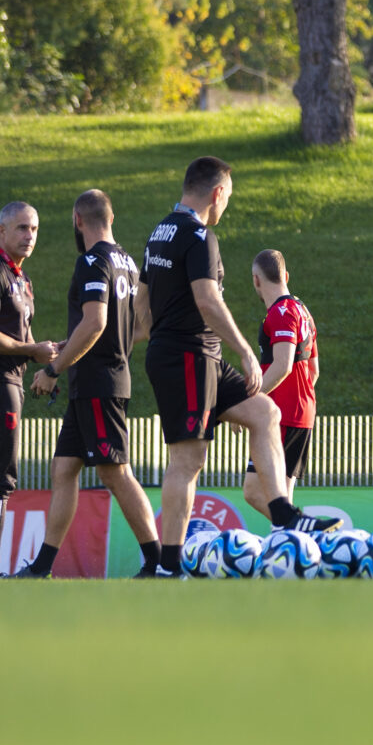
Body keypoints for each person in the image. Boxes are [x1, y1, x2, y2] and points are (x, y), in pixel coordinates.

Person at [136, 156, 336, 577]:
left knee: (265, 411)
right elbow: (208, 300)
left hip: (193, 354)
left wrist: (155, 334)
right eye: (228, 197)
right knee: (187, 460)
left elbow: (141, 302)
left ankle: (283, 513)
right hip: (189, 355)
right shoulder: (198, 236)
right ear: (218, 193)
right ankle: (168, 566)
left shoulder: (159, 232)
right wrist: (245, 349)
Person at [19, 189, 162, 578]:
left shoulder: (91, 262)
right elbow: (138, 327)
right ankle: (42, 569)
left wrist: (52, 371)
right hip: (99, 380)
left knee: (115, 472)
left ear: (77, 220)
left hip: (100, 383)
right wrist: (78, 344)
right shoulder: (128, 263)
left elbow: (97, 322)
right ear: (110, 218)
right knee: (64, 468)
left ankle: (158, 562)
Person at [0, 201, 61, 577]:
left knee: (0, 478)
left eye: (34, 229)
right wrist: (31, 350)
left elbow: (27, 340)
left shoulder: (21, 279)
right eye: (21, 228)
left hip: (9, 382)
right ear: (0, 231)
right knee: (0, 479)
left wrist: (52, 351)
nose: (29, 236)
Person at [241, 250, 318, 520]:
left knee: (253, 490)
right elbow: (313, 370)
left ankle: (303, 530)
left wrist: (248, 403)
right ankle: (296, 552)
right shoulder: (302, 310)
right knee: (282, 496)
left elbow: (283, 365)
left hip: (282, 414)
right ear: (286, 276)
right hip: (302, 411)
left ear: (256, 281)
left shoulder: (281, 313)